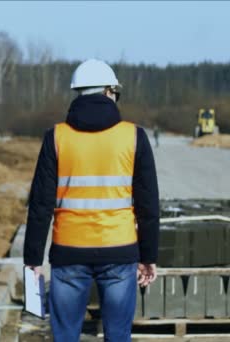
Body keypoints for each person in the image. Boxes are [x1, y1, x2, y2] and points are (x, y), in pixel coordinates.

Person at [23, 59, 160, 342]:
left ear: (78, 93)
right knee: (118, 336)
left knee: (65, 337)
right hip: (119, 251)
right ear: (110, 91)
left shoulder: (57, 137)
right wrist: (148, 257)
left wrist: (32, 259)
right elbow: (148, 206)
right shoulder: (134, 136)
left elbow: (40, 205)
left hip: (69, 252)